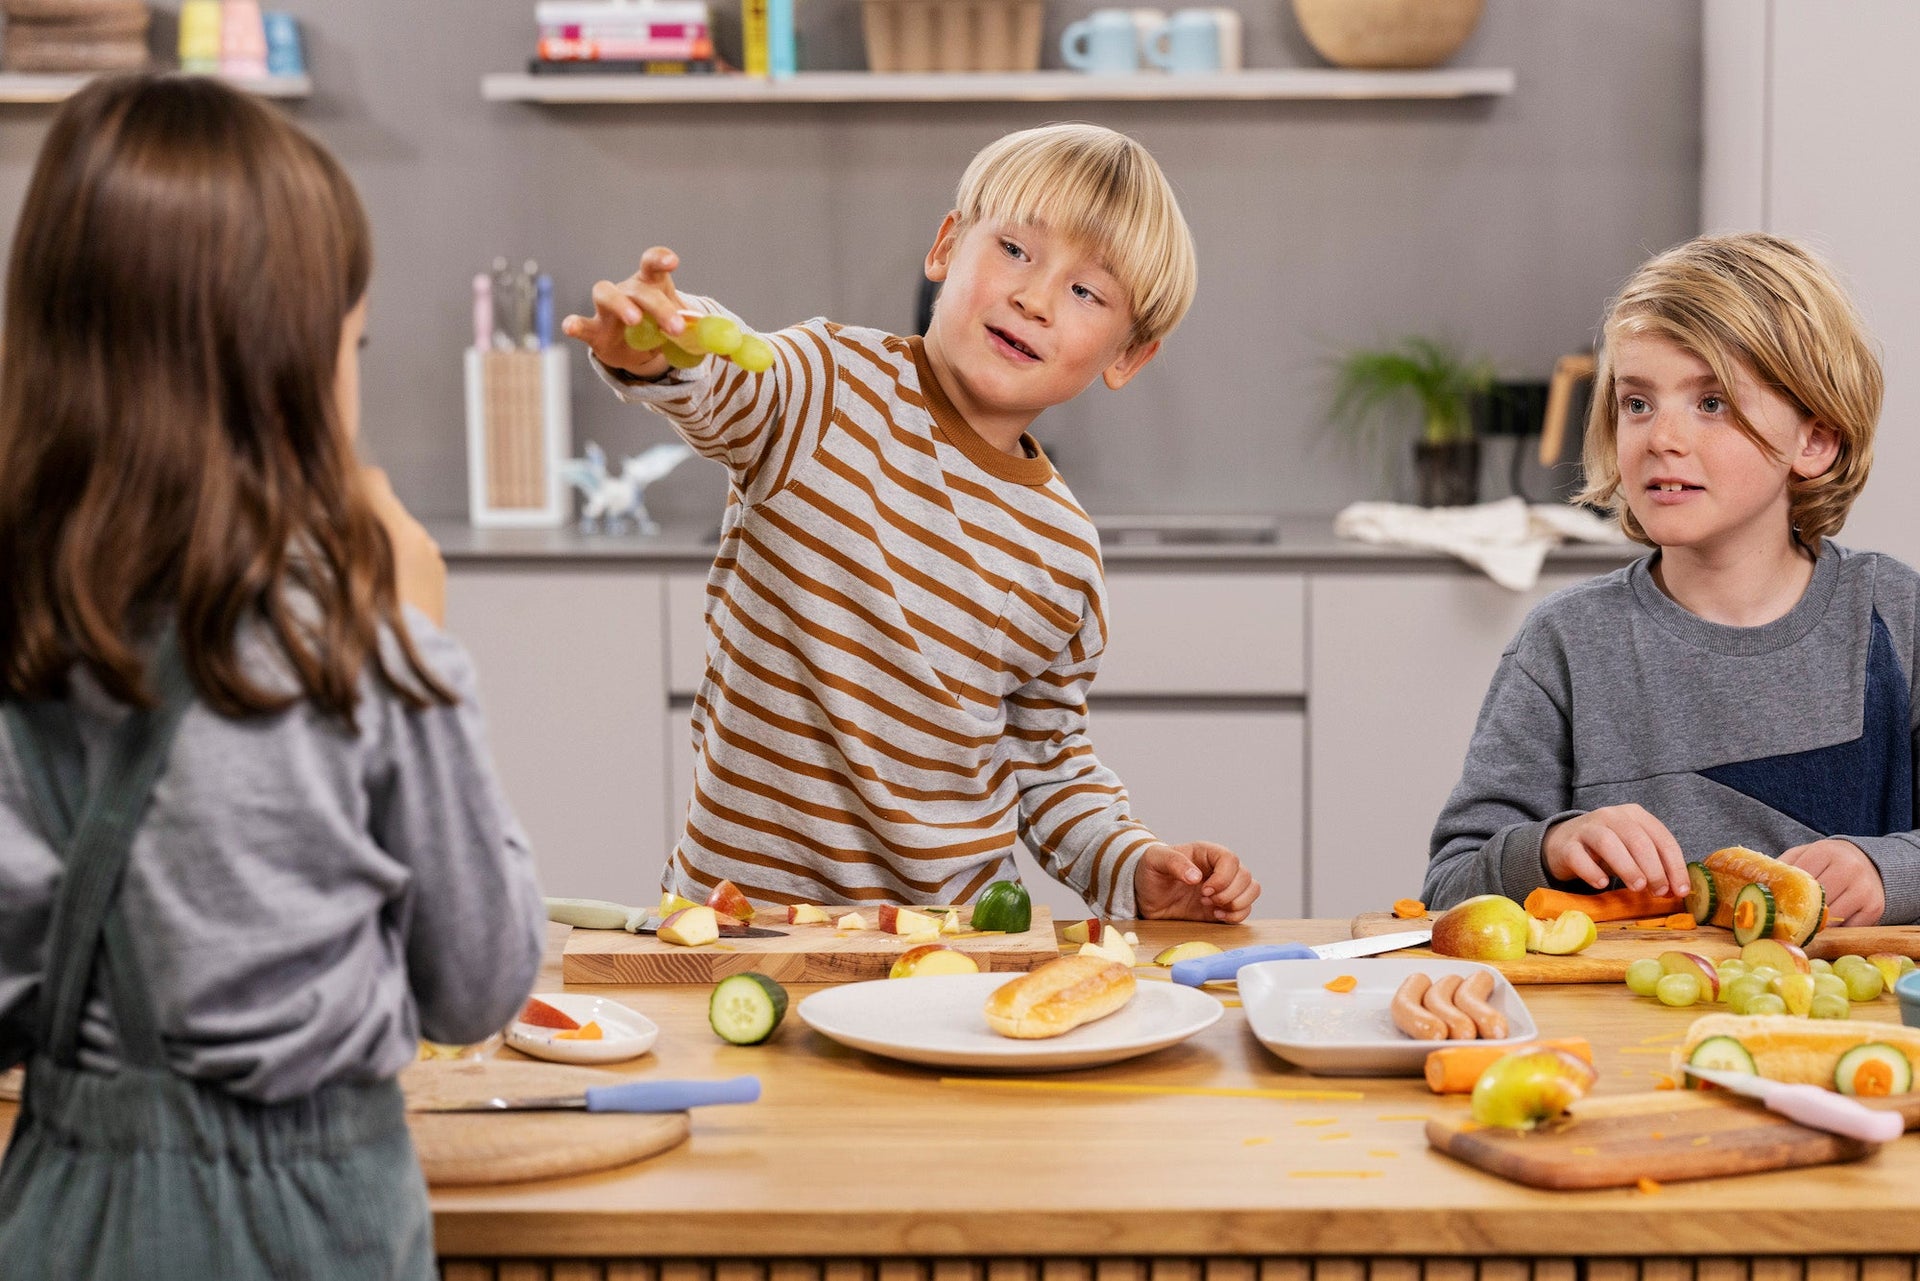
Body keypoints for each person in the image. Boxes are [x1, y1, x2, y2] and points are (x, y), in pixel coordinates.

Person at [0, 74, 545, 1277]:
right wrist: (417, 637)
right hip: (314, 1215)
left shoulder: (23, 631)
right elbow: (478, 982)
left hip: (66, 1209)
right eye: (350, 347)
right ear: (283, 372)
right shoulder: (355, 644)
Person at [564, 123, 1259, 922]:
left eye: (1085, 292)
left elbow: (1049, 766)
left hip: (942, 947)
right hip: (736, 918)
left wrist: (1134, 864)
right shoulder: (825, 388)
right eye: (1015, 251)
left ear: (1127, 356)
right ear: (946, 247)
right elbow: (737, 371)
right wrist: (662, 345)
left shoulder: (1064, 550)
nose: (1033, 298)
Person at [1424, 231, 1918, 928]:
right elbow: (1449, 885)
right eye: (1638, 403)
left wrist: (1885, 870)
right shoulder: (1567, 645)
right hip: (1616, 1032)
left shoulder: (1897, 616)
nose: (1661, 437)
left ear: (1815, 439)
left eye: (1711, 402)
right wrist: (1554, 845)